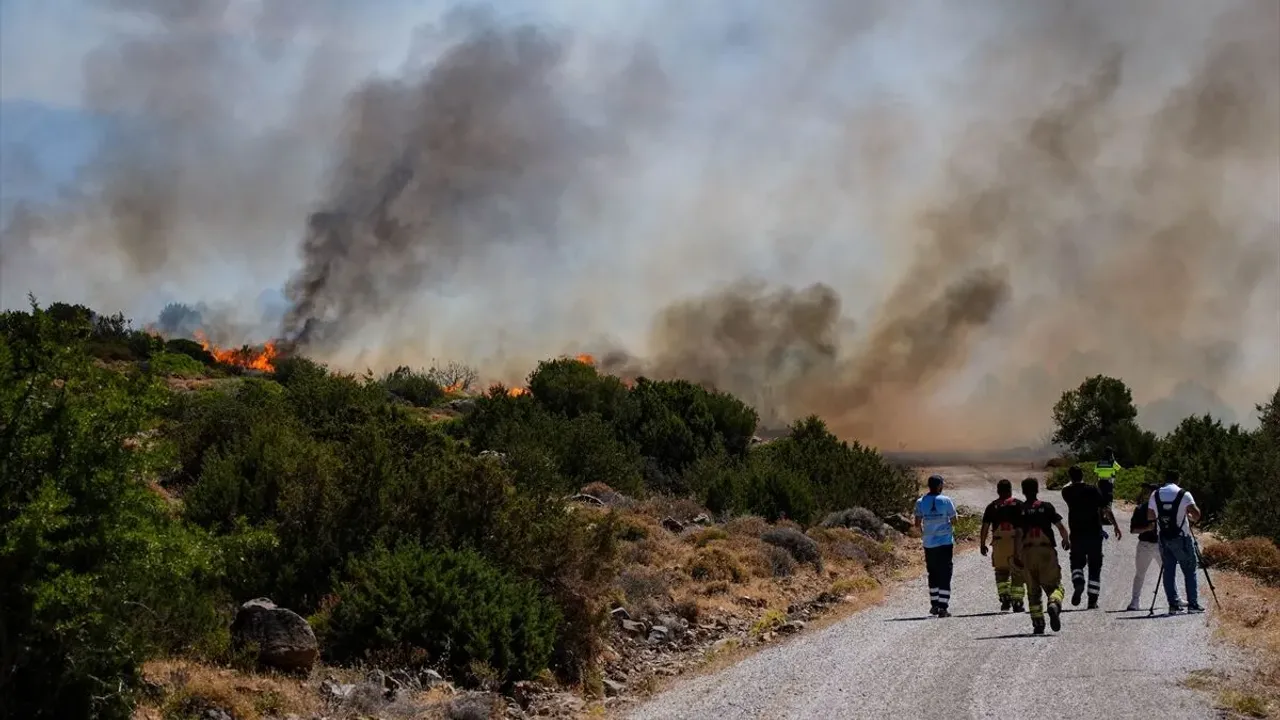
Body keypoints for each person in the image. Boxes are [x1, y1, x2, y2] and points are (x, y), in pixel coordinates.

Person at [1013, 477, 1070, 635]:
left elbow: (1018, 534)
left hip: (1027, 552)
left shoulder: (1020, 510)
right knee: (1055, 586)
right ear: (1037, 490)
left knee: (1033, 591)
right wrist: (1066, 540)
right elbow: (1060, 527)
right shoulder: (1046, 507)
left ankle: (1038, 623)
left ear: (1023, 491)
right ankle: (1053, 603)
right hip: (1046, 551)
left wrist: (1017, 555)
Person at [1061, 465, 1121, 608]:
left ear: (1070, 477)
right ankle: (1092, 601)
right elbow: (1105, 508)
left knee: (1076, 562)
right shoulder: (1092, 490)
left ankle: (1078, 582)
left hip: (1077, 534)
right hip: (1094, 534)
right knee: (1095, 566)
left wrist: (1073, 481)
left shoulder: (1067, 492)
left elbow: (1066, 486)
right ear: (1083, 475)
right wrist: (1115, 525)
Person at [1147, 469, 1204, 614]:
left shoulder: (1155, 494)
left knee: (1168, 571)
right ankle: (1193, 605)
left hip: (1164, 538)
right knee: (1189, 570)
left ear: (1165, 479)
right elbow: (1196, 515)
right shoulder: (1184, 494)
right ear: (1178, 480)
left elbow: (1150, 516)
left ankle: (1173, 605)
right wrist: (1188, 516)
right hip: (1182, 537)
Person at [914, 474, 958, 617]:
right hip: (945, 542)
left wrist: (925, 533)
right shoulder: (946, 500)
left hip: (929, 544)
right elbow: (954, 520)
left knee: (933, 573)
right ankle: (943, 607)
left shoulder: (920, 502)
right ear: (939, 485)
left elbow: (917, 523)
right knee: (945, 573)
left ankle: (934, 604)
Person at [980, 479, 1026, 612]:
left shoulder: (992, 506)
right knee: (1017, 572)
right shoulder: (1019, 505)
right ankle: (1017, 602)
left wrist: (982, 544)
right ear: (1010, 490)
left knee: (1001, 572)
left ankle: (1005, 598)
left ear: (998, 491)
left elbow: (985, 527)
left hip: (999, 543)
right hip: (1016, 543)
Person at [1126, 483, 1163, 611]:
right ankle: (1135, 601)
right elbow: (1133, 530)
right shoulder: (1141, 509)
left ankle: (1174, 599)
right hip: (1146, 545)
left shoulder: (1162, 508)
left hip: (1160, 545)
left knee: (1168, 573)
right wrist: (1147, 528)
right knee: (1141, 574)